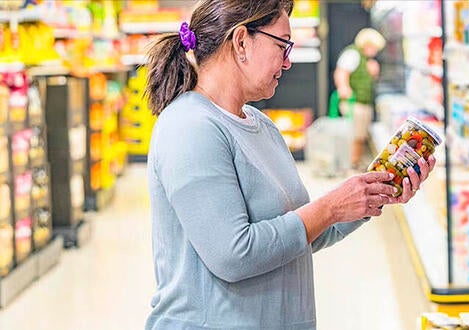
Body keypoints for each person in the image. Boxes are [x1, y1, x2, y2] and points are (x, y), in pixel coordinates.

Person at [144, 1, 435, 329]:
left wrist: (371, 194)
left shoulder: (259, 124)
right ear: (241, 42)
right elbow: (233, 255)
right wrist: (330, 208)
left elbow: (301, 234)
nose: (288, 60)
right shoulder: (190, 127)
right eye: (282, 44)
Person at [333, 27, 386, 169]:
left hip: (363, 102)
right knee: (355, 135)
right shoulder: (353, 54)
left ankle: (357, 162)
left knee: (361, 135)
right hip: (354, 103)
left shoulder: (366, 59)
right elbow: (341, 72)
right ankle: (352, 164)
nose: (375, 51)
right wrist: (344, 87)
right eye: (374, 47)